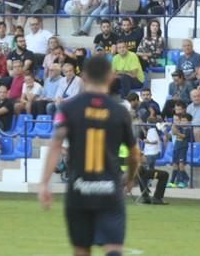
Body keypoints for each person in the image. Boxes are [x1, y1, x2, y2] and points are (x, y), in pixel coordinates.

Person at [39, 56, 141, 256]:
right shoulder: (120, 112)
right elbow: (134, 154)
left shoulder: (68, 108)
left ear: (83, 77)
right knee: (113, 248)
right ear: (111, 77)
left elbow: (56, 144)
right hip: (110, 190)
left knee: (81, 249)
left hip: (79, 189)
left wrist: (44, 183)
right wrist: (129, 179)